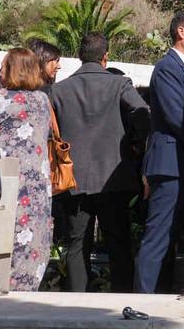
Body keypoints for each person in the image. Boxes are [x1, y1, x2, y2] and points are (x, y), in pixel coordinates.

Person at [49, 32, 150, 293]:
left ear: (80, 57)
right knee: (118, 243)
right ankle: (121, 301)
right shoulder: (120, 85)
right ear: (105, 57)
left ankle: (77, 303)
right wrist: (136, 144)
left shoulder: (59, 90)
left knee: (76, 244)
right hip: (113, 179)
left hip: (73, 178)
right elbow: (143, 113)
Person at [137, 11, 184, 294]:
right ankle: (142, 300)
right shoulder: (167, 68)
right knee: (158, 236)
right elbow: (177, 116)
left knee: (169, 235)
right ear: (181, 32)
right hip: (169, 163)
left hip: (180, 162)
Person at [0, 48, 55, 291]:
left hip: (6, 183)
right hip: (38, 186)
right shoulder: (42, 100)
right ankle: (28, 288)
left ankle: (1, 286)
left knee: (5, 235)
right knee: (34, 237)